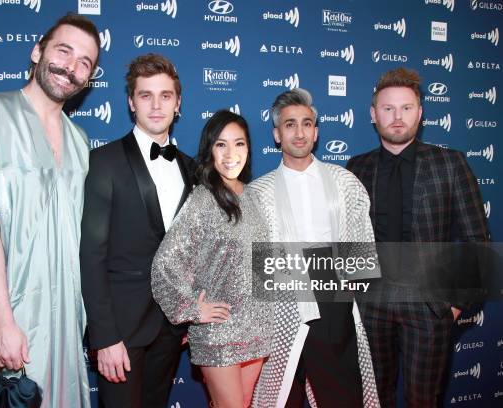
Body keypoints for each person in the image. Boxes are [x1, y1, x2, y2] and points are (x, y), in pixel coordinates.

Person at [0, 13, 100, 407]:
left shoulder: (80, 141)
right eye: (63, 51)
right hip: (17, 313)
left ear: (89, 77)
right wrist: (2, 322)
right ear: (37, 51)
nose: (71, 67)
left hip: (70, 318)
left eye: (84, 62)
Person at [346, 67, 490, 407]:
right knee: (373, 399)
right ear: (373, 114)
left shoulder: (450, 164)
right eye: (388, 108)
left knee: (422, 400)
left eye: (406, 108)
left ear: (420, 112)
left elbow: (476, 240)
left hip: (428, 305)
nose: (397, 117)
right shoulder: (357, 168)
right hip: (371, 305)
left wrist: (453, 305)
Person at [249, 88, 380, 407]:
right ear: (277, 134)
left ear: (316, 132)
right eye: (290, 124)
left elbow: (362, 257)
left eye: (307, 123)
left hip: (334, 308)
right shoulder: (257, 192)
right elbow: (253, 266)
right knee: (283, 399)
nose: (299, 131)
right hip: (279, 309)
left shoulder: (345, 182)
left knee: (341, 397)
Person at [80, 53, 195, 408]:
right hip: (121, 329)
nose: (156, 105)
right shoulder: (103, 162)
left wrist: (190, 313)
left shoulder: (192, 168)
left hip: (172, 328)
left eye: (165, 96)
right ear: (131, 102)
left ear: (178, 103)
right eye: (146, 95)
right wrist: (104, 336)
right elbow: (91, 255)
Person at [151, 110, 271, 408]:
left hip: (256, 328)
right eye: (221, 144)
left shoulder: (254, 197)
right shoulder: (203, 199)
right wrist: (191, 308)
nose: (231, 153)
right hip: (219, 331)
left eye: (239, 144)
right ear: (209, 151)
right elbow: (165, 263)